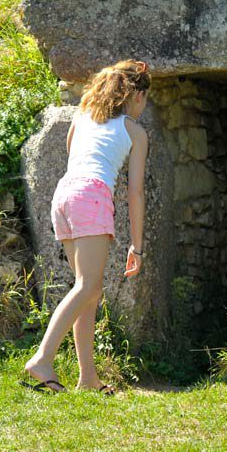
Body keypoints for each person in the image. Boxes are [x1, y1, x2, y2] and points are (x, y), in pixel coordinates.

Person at [21, 59, 150, 395]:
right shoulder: (135, 132)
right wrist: (137, 247)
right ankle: (43, 359)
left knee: (88, 291)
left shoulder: (81, 117)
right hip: (92, 196)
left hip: (64, 197)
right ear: (136, 96)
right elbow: (135, 193)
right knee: (86, 286)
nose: (145, 106)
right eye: (145, 99)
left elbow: (71, 154)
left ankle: (88, 378)